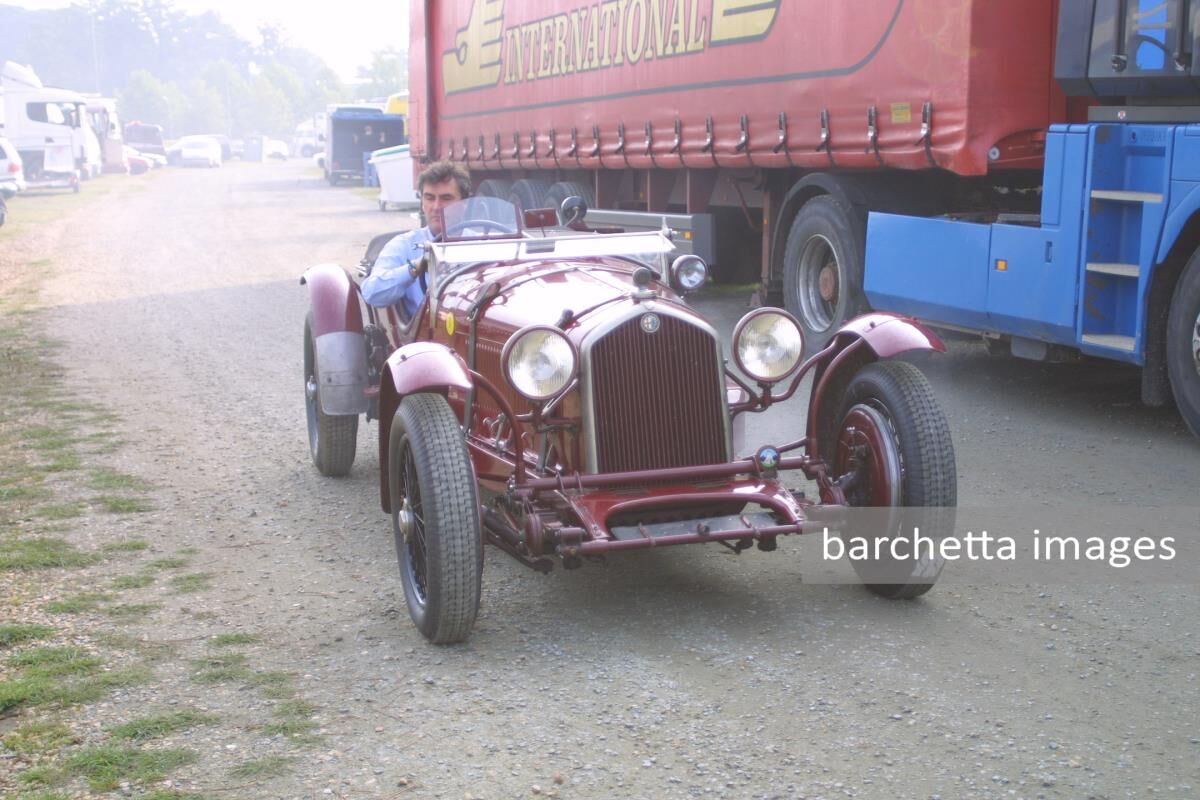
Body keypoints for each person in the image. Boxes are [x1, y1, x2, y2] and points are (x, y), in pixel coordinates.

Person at [360, 160, 471, 317]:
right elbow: (372, 293)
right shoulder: (404, 245)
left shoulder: (486, 243)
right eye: (429, 198)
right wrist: (415, 268)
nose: (436, 207)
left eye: (446, 198)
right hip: (423, 337)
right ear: (422, 203)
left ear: (464, 203)